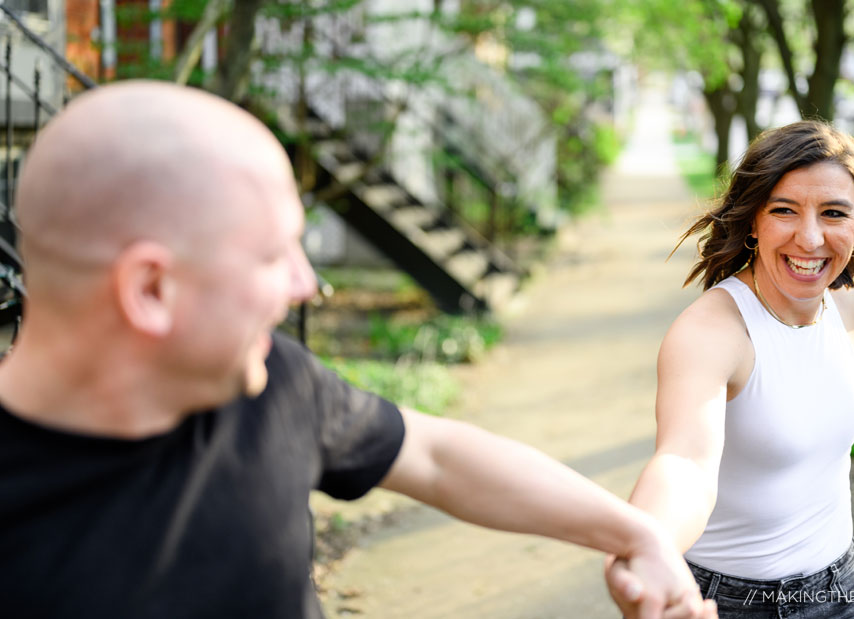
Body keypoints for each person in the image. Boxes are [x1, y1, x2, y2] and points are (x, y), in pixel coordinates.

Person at [0, 81, 716, 619]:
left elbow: (435, 456)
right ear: (151, 289)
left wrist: (638, 536)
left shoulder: (272, 382)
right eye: (273, 254)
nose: (309, 283)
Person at [606, 120, 854, 618]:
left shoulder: (848, 301)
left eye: (833, 213)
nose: (810, 238)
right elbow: (684, 463)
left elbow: (848, 358)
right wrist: (648, 544)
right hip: (732, 603)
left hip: (842, 588)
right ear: (753, 220)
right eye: (784, 210)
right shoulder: (712, 334)